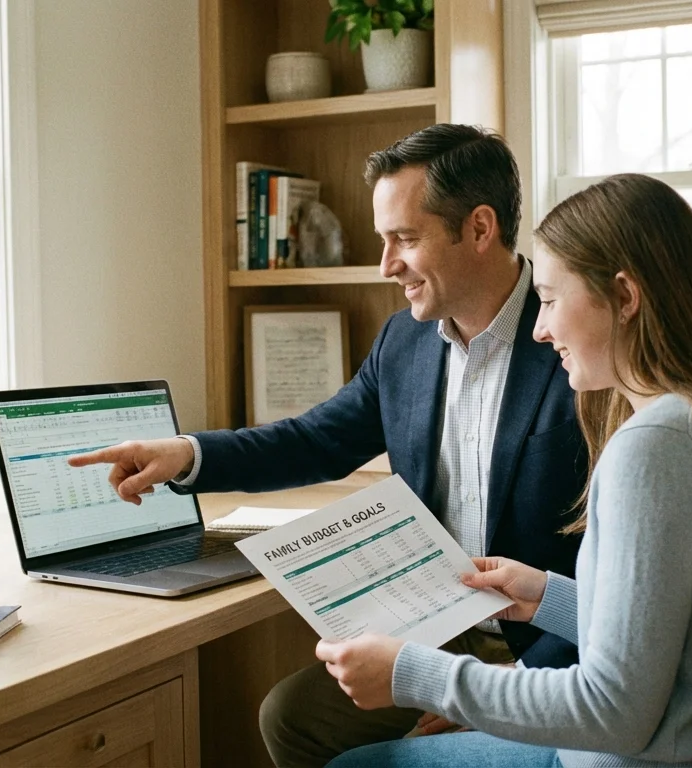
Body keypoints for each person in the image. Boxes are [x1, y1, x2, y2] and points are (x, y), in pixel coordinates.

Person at [68, 124, 589, 767]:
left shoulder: (575, 340)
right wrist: (187, 455)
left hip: (553, 650)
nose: (385, 264)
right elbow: (315, 439)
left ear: (479, 229)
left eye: (405, 238)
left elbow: (620, 580)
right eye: (382, 240)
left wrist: (494, 703)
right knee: (292, 716)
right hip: (435, 632)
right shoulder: (403, 342)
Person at [314, 173, 692, 768]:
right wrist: (547, 598)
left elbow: (612, 709)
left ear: (625, 297)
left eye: (552, 300)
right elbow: (683, 629)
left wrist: (414, 673)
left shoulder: (655, 448)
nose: (539, 327)